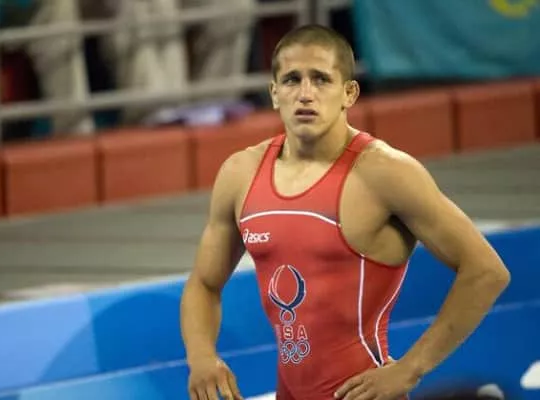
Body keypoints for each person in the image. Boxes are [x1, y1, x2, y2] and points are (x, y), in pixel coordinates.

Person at [180, 24, 510, 400]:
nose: (305, 93)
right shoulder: (241, 174)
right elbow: (204, 283)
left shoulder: (385, 173)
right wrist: (201, 357)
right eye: (292, 80)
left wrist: (410, 369)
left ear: (349, 93)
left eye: (321, 79)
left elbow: (486, 271)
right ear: (274, 93)